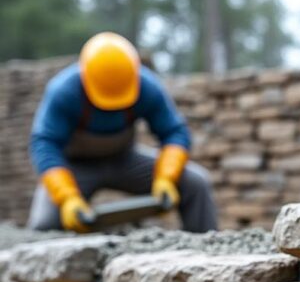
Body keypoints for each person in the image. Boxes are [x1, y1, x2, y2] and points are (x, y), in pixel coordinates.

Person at [28, 32, 217, 233]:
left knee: (196, 184)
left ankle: (206, 245)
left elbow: (175, 132)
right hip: (76, 168)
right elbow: (44, 143)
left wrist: (166, 177)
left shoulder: (147, 87)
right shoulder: (64, 92)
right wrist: (67, 197)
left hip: (125, 160)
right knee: (45, 223)